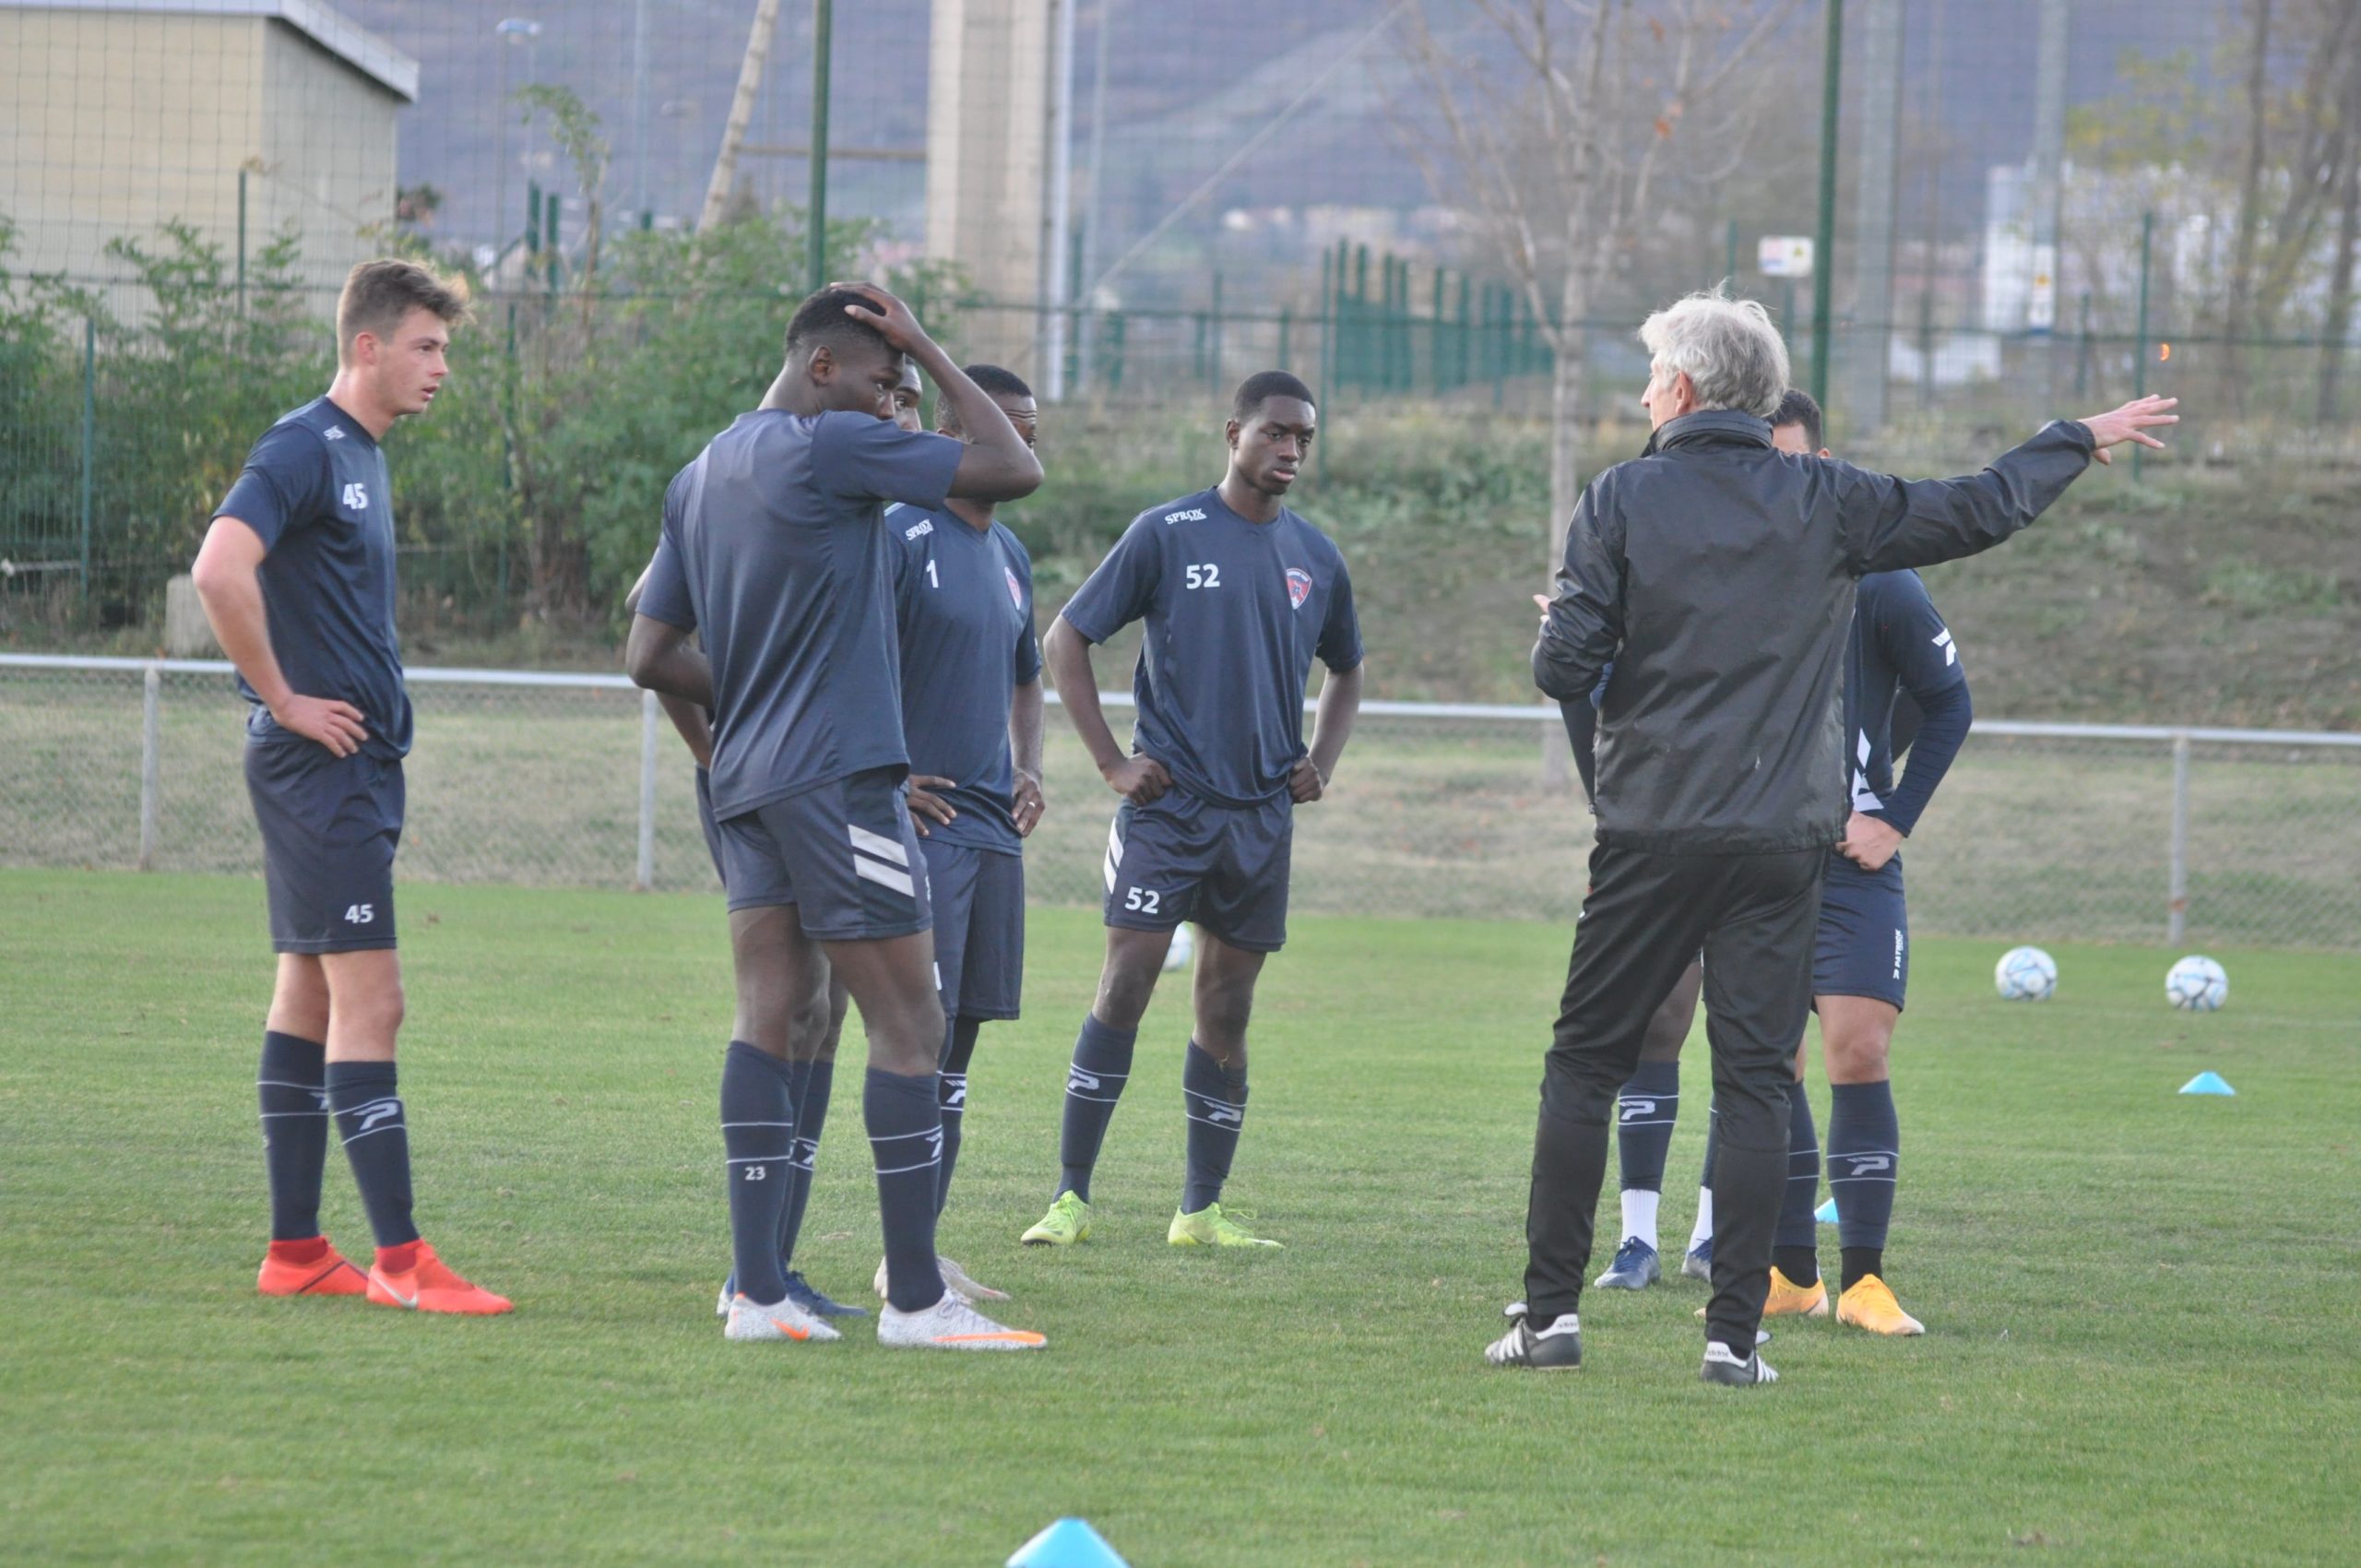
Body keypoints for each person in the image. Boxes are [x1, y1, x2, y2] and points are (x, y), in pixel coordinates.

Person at [1485, 286, 2176, 1384]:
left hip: (1652, 831)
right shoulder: (1829, 501)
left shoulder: (1616, 500)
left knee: (1582, 1062)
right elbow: (1979, 506)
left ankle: (1552, 1318)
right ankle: (1731, 1340)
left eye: (1651, 372)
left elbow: (1560, 669)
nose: (1644, 390)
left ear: (1682, 388)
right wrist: (2070, 440)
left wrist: (1588, 620)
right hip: (1778, 841)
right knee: (1759, 1076)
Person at [625, 282, 1049, 1350]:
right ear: (823, 369)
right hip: (841, 777)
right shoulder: (828, 448)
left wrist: (746, 727)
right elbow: (1012, 468)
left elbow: (648, 653)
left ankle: (757, 1291)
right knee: (914, 1022)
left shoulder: (704, 468)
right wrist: (928, 343)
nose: (895, 402)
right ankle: (916, 1300)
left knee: (776, 1012)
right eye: (882, 380)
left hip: (750, 784)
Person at [1589, 389, 1975, 1340]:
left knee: (1856, 1047)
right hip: (1759, 848)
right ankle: (1787, 1271)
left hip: (1848, 862)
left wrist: (1891, 815)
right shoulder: (1725, 571)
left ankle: (1868, 1279)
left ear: (1822, 465)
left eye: (1790, 464)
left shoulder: (1876, 578)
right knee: (1772, 1061)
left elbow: (1947, 702)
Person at [193, 258, 510, 1315]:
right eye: (426, 346)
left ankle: (294, 1249)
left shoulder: (363, 456)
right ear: (366, 346)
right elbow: (218, 567)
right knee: (376, 1000)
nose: (442, 367)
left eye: (446, 349)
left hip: (348, 769)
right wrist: (281, 696)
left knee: (310, 992)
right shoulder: (304, 445)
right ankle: (403, 1262)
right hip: (318, 766)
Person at [1019, 371, 1363, 1252]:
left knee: (1227, 1008)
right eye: (1276, 433)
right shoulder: (1168, 533)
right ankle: (1070, 1199)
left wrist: (1319, 761)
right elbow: (1067, 637)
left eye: (1304, 439)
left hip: (1259, 822)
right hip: (1170, 814)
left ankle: (1200, 1211)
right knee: (1126, 984)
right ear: (1233, 432)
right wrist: (1109, 761)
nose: (1290, 451)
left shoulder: (1316, 557)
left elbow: (1347, 668)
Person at [874, 364, 1047, 1305]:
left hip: (992, 831)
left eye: (1032, 433)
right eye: (1008, 430)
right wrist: (886, 769)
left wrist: (1030, 764)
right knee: (920, 1038)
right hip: (925, 825)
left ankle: (924, 1252)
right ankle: (902, 1262)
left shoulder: (1010, 552)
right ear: (958, 434)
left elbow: (1028, 673)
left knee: (964, 1045)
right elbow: (851, 655)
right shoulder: (901, 534)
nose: (1023, 450)